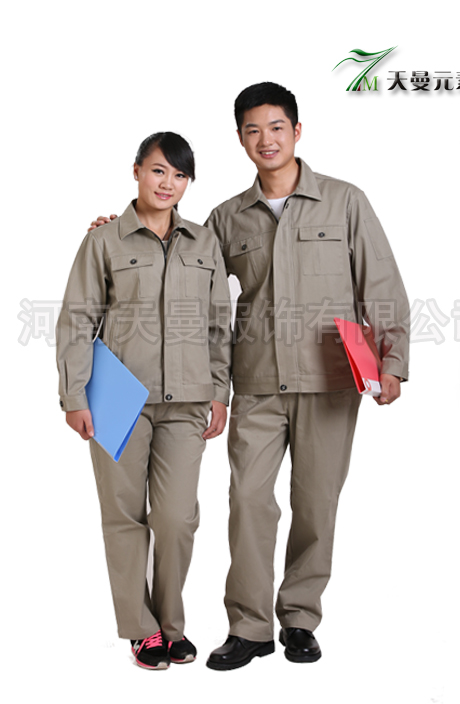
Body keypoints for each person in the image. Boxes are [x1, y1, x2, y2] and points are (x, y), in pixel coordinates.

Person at [89, 82, 410, 670]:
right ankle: (250, 626)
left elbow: (381, 281)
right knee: (249, 503)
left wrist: (392, 360)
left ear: (297, 131)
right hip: (256, 382)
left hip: (331, 381)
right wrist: (119, 230)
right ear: (240, 138)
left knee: (316, 504)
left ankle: (299, 618)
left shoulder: (344, 201)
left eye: (277, 127)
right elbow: (176, 257)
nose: (266, 139)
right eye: (253, 130)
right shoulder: (225, 218)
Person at [56, 132, 232, 670]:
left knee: (177, 519)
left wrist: (219, 391)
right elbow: (77, 320)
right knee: (124, 516)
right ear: (136, 171)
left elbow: (218, 325)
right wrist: (73, 394)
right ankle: (141, 628)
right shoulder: (103, 240)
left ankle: (172, 625)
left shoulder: (204, 242)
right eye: (158, 170)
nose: (168, 183)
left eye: (179, 175)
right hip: (116, 397)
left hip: (186, 402)